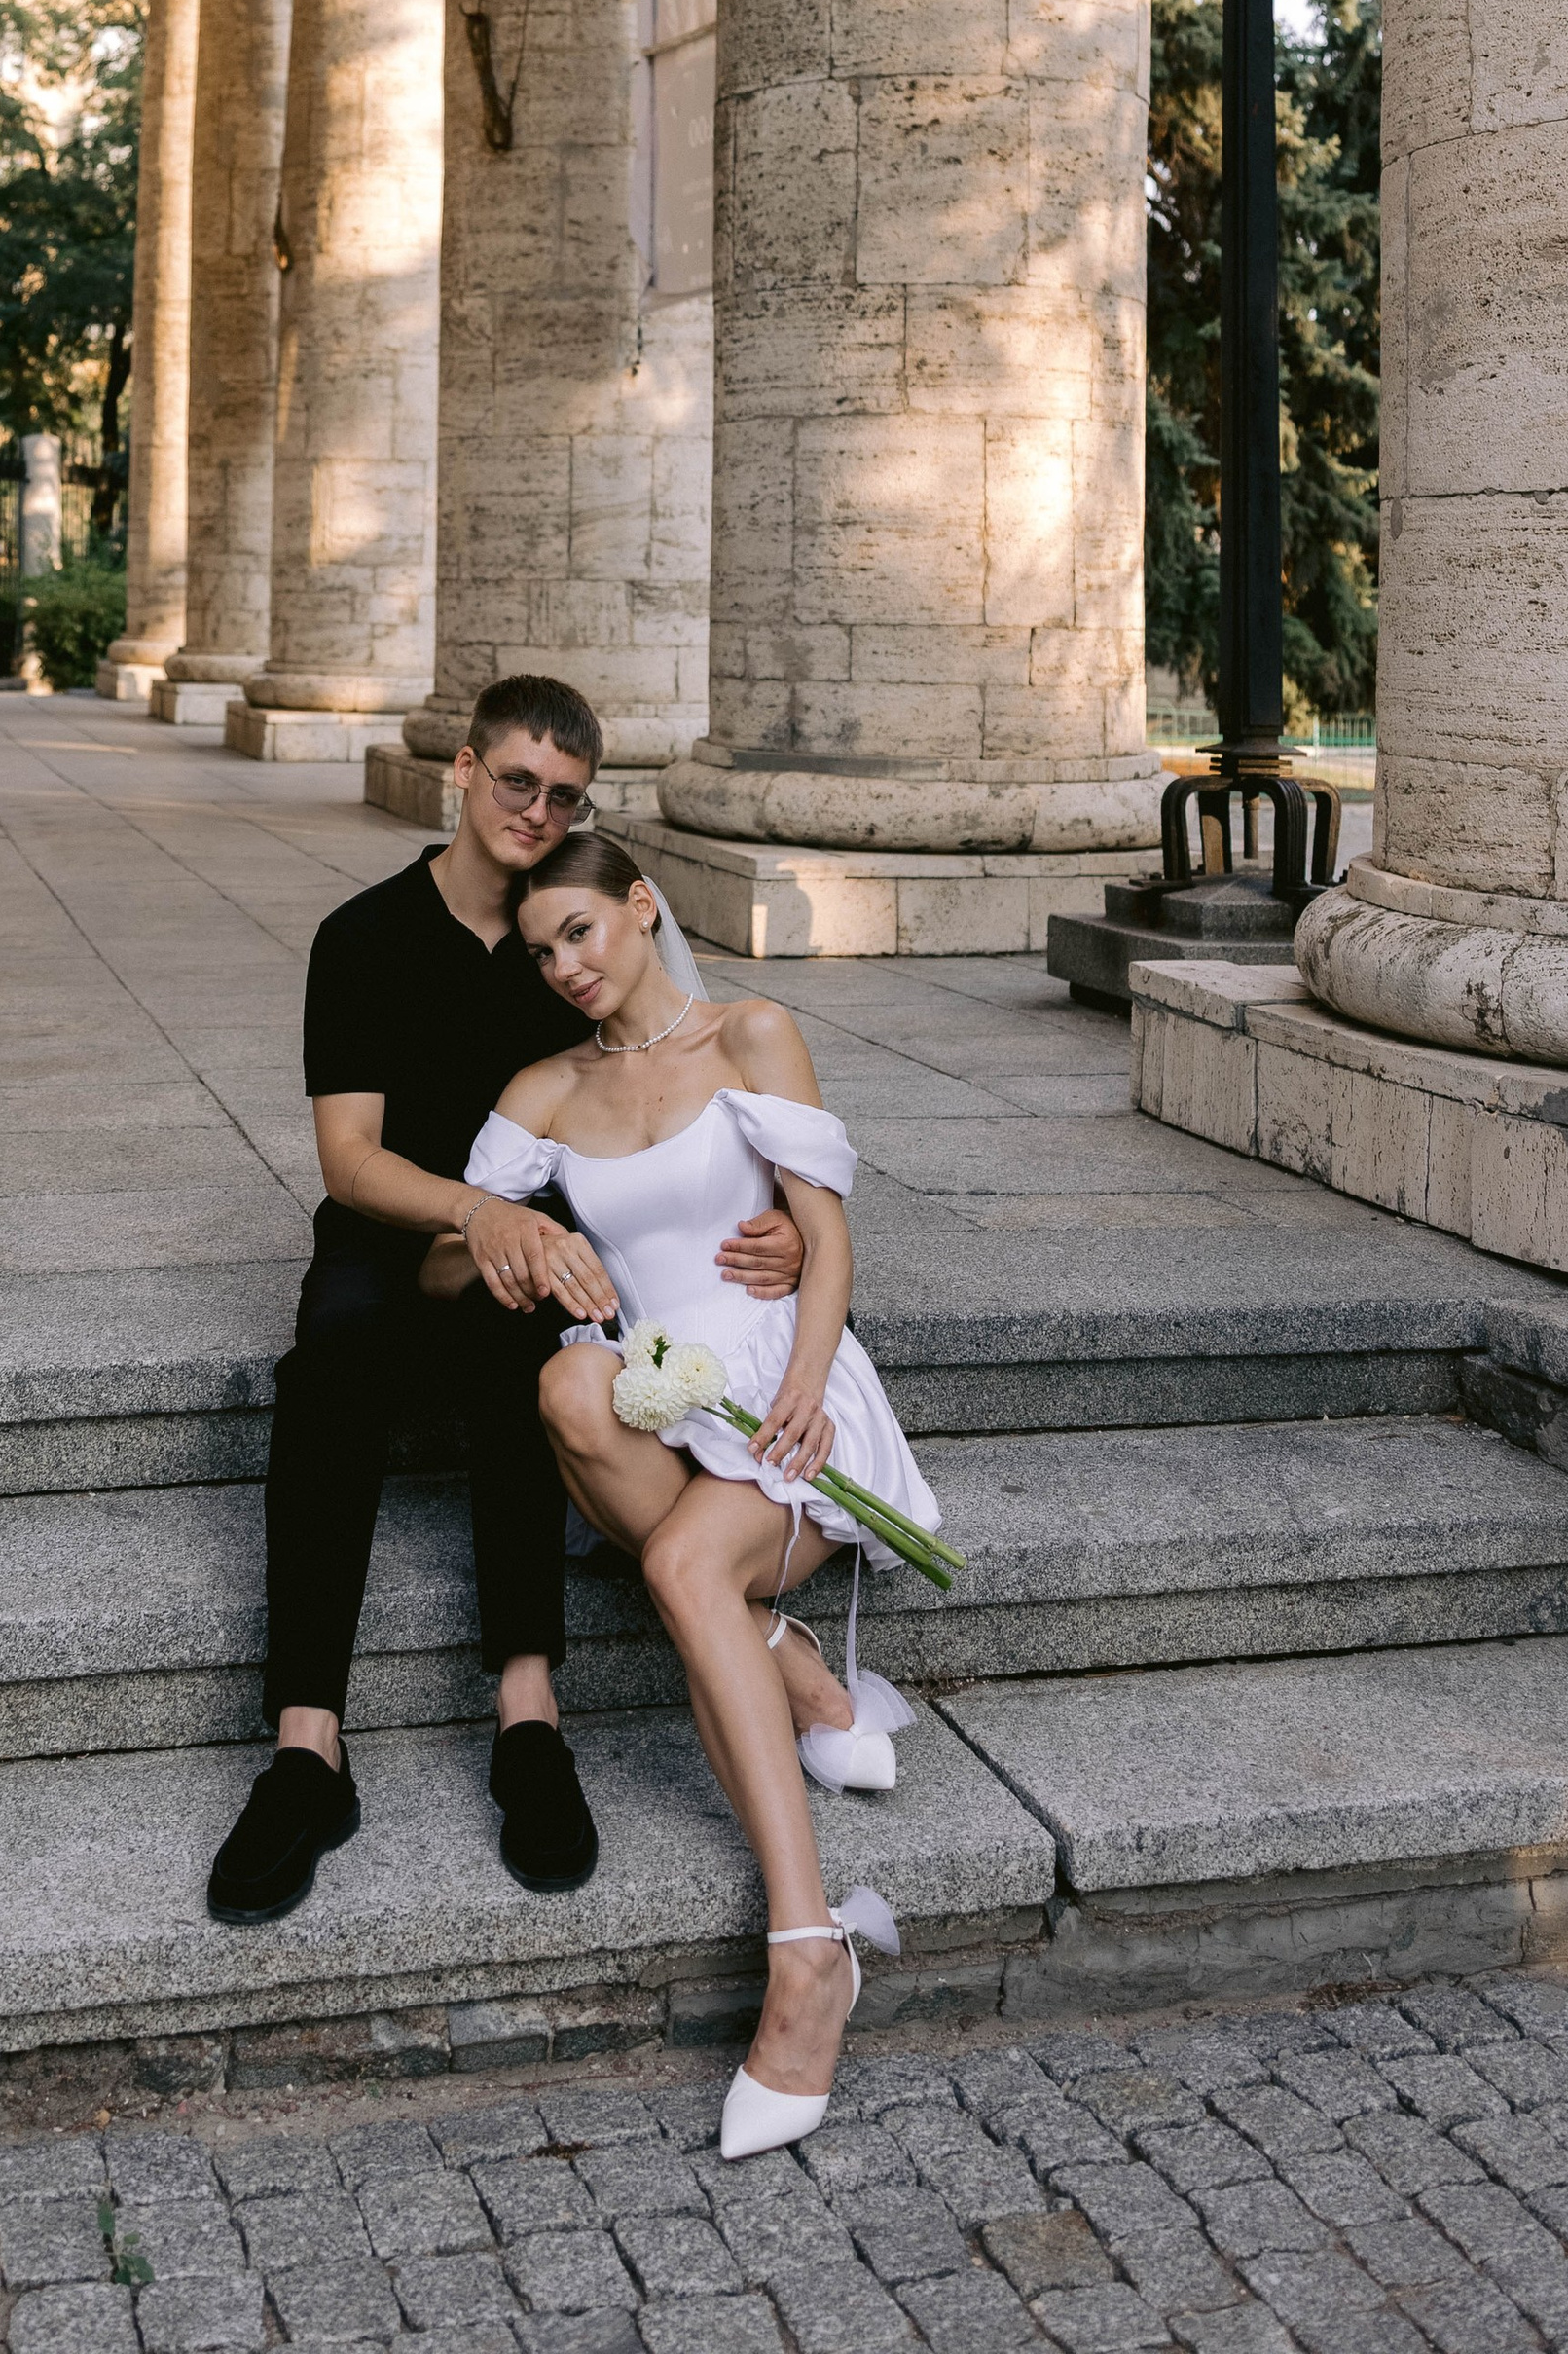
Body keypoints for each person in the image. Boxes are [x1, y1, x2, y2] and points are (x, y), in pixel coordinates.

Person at [205, 674, 806, 1925]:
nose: (536, 810)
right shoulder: (361, 937)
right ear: (465, 772)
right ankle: (307, 1747)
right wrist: (475, 1212)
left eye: (565, 796)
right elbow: (350, 1161)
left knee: (532, 1348)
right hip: (392, 1231)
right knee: (330, 1358)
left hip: (542, 1245)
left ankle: (527, 1717)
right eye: (518, 781)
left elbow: (680, 1082)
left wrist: (782, 1229)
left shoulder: (563, 950)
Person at [468, 828, 945, 2157]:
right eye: (540, 950)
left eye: (581, 932)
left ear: (642, 906)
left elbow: (827, 1227)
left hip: (777, 1387)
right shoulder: (545, 1089)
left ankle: (808, 1955)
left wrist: (804, 1370)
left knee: (684, 1570)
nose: (565, 966)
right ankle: (781, 1653)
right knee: (565, 1389)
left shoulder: (750, 1032)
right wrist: (513, 1229)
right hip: (653, 1396)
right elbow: (455, 1265)